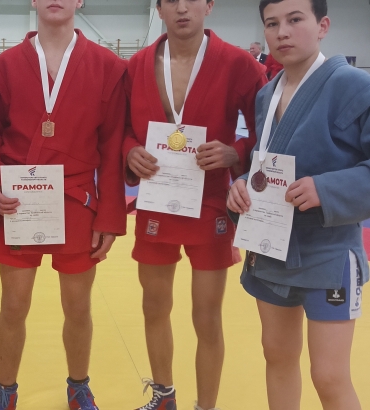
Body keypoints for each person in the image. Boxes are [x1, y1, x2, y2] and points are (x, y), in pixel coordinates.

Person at [123, 0, 267, 409]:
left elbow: (269, 131)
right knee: (154, 307)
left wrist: (236, 152)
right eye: (171, 0)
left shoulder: (239, 64)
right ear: (159, 9)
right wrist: (129, 150)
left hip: (210, 202)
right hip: (156, 199)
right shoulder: (136, 66)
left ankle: (206, 406)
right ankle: (164, 395)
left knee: (207, 316)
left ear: (209, 5)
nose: (182, 7)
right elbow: (121, 128)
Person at [0, 0, 127, 408]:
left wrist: (110, 216)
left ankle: (78, 386)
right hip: (17, 202)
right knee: (13, 305)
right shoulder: (4, 67)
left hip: (77, 201)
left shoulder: (108, 67)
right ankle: (6, 390)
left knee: (78, 307)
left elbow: (112, 145)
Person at [227, 0, 369, 409]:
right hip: (271, 245)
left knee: (329, 375)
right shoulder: (267, 94)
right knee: (277, 357)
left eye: (294, 20)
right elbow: (264, 162)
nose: (282, 32)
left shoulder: (354, 85)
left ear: (323, 26)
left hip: (328, 249)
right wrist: (241, 185)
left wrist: (328, 188)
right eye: (272, 24)